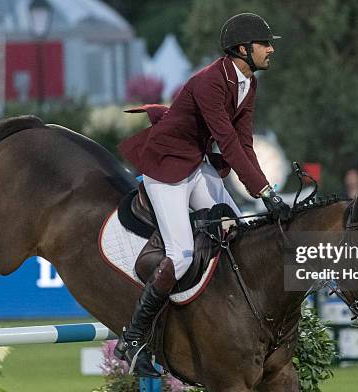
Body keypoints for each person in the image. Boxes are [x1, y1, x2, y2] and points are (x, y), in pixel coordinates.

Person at [114, 13, 291, 376]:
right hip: (166, 166)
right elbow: (226, 140)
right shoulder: (211, 81)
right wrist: (264, 192)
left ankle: (220, 321)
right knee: (180, 255)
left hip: (195, 163)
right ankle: (133, 338)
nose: (271, 49)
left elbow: (243, 144)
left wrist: (266, 192)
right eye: (265, 44)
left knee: (233, 230)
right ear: (243, 49)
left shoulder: (248, 84)